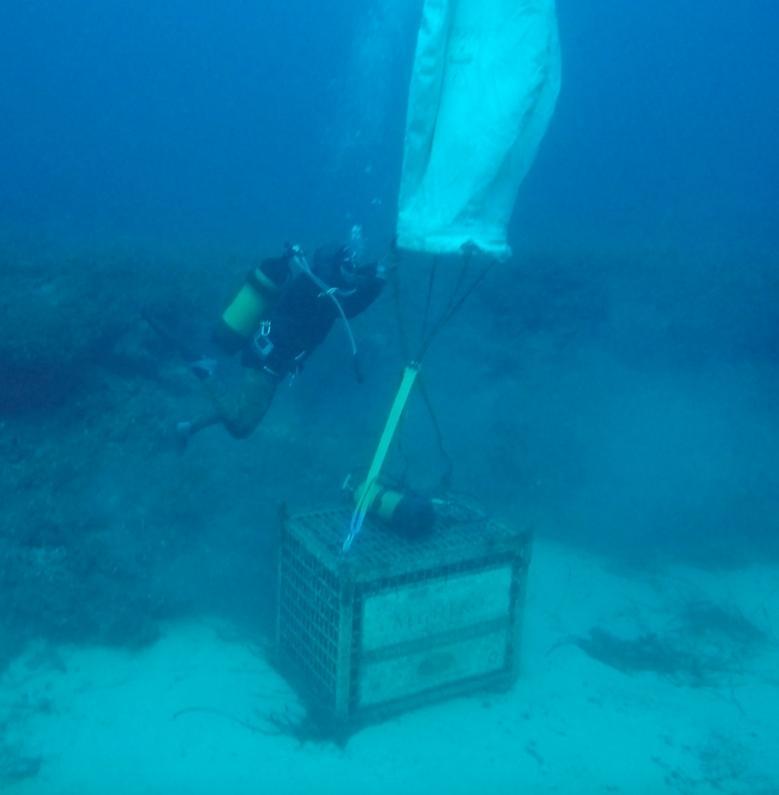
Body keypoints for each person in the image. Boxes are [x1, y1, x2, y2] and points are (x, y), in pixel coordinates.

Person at [175, 231, 385, 448]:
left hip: (265, 355)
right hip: (268, 361)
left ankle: (188, 427)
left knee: (243, 407)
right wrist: (380, 278)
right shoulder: (321, 292)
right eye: (347, 265)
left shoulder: (314, 284)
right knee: (242, 426)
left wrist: (376, 268)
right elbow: (350, 307)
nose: (351, 271)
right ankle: (205, 372)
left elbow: (352, 283)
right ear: (333, 266)